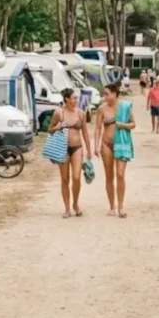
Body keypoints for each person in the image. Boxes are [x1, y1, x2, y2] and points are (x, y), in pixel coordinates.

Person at [48, 88, 92, 219]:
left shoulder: (81, 113)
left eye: (76, 98)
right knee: (65, 178)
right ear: (66, 99)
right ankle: (67, 208)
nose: (76, 100)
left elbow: (84, 132)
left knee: (77, 177)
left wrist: (89, 150)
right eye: (73, 98)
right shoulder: (59, 113)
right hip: (62, 147)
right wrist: (58, 126)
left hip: (77, 147)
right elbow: (49, 130)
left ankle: (76, 203)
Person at [94, 82, 136, 217]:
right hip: (106, 143)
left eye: (106, 94)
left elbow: (133, 124)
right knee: (109, 176)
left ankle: (121, 206)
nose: (104, 96)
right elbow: (98, 128)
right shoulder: (101, 109)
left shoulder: (125, 106)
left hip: (121, 143)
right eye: (104, 94)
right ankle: (112, 206)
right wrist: (96, 145)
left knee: (120, 174)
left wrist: (122, 125)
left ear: (114, 94)